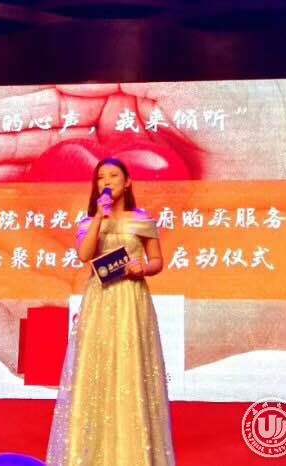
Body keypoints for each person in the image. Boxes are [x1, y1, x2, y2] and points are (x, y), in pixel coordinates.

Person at [46, 158, 175, 465]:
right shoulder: (89, 221)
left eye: (114, 175)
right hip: (100, 299)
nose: (107, 181)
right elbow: (84, 255)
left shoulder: (141, 219)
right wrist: (99, 219)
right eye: (101, 177)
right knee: (96, 369)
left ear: (127, 182)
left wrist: (142, 267)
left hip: (131, 298)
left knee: (130, 366)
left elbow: (157, 261)